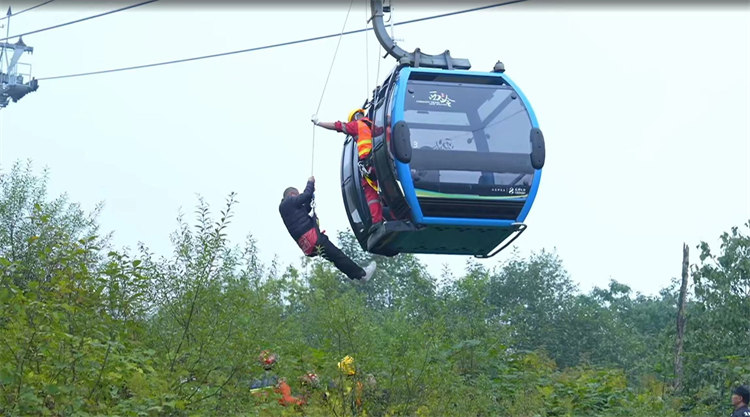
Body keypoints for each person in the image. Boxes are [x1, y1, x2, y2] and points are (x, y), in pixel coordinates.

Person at [279, 176, 376, 282]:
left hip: (308, 244)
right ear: (292, 194)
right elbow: (305, 196)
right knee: (337, 255)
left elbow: (305, 208)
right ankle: (361, 275)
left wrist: (310, 196)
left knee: (335, 257)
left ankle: (356, 276)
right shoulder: (287, 203)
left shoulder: (288, 210)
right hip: (313, 238)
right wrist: (310, 183)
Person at [312, 109, 385, 232]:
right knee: (387, 187)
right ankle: (395, 214)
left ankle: (377, 220)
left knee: (370, 192)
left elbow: (338, 126)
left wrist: (319, 123)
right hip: (381, 161)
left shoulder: (357, 124)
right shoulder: (374, 126)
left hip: (368, 163)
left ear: (356, 117)